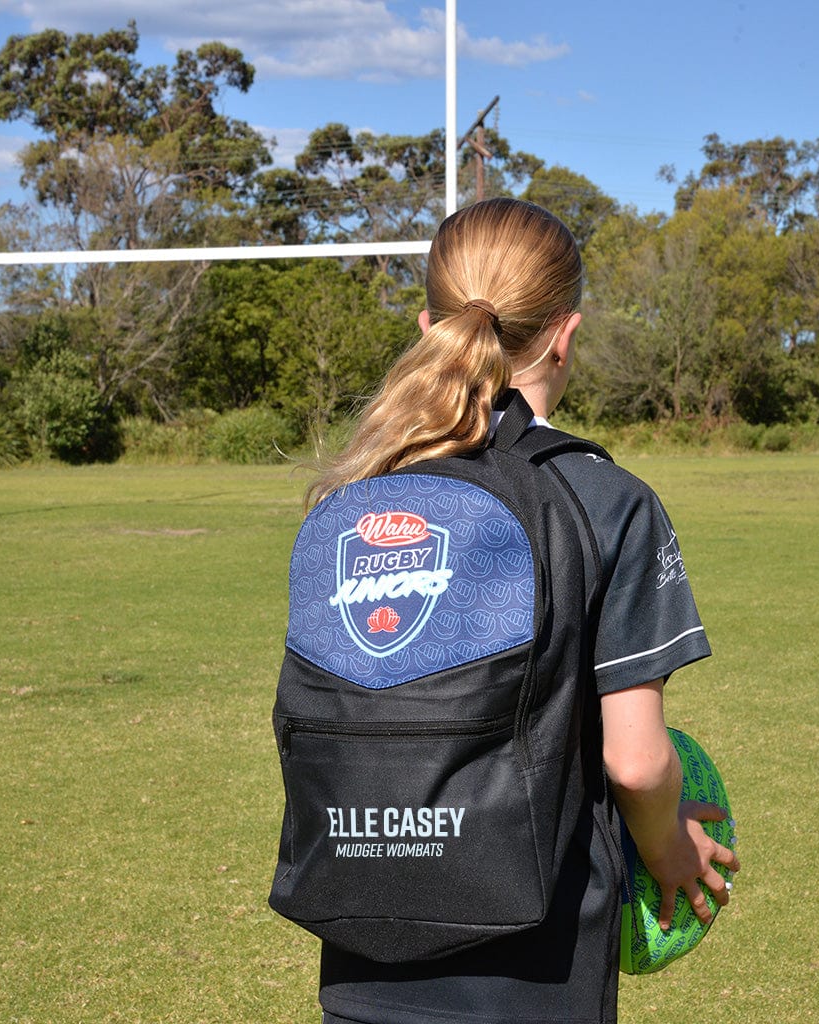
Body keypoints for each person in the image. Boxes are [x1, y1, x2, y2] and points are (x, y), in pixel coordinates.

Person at [304, 198, 740, 1024]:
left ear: (429, 324)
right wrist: (670, 848)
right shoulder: (606, 500)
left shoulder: (359, 498)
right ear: (566, 333)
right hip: (534, 971)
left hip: (364, 948)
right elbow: (638, 764)